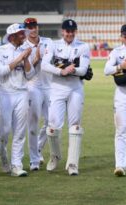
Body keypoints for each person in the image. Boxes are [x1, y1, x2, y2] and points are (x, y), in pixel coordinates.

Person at [41, 19, 90, 176]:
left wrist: (71, 69)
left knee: (75, 126)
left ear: (75, 31)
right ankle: (55, 156)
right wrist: (61, 71)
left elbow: (83, 70)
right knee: (53, 127)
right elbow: (44, 65)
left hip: (75, 88)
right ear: (62, 31)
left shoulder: (83, 46)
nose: (69, 33)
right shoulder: (53, 45)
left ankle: (73, 164)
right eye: (67, 31)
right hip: (57, 88)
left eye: (72, 31)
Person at [0, 23, 34, 177]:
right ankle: (4, 158)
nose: (24, 35)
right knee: (3, 132)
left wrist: (26, 59)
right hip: (5, 93)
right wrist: (20, 58)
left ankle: (17, 165)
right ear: (12, 36)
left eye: (24, 32)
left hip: (22, 93)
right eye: (20, 33)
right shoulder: (0, 51)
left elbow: (30, 75)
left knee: (20, 131)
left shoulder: (25, 51)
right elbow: (0, 72)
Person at [104, 24, 126, 176]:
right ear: (121, 37)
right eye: (125, 36)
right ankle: (120, 165)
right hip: (122, 94)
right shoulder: (116, 52)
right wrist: (120, 66)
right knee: (121, 130)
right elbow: (106, 70)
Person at [23, 17, 53, 170]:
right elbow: (24, 72)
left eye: (34, 26)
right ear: (26, 29)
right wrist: (35, 60)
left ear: (37, 27)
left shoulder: (48, 42)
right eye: (29, 27)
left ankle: (39, 147)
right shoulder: (23, 46)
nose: (32, 30)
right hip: (32, 86)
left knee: (51, 122)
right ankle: (34, 160)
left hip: (49, 86)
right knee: (33, 124)